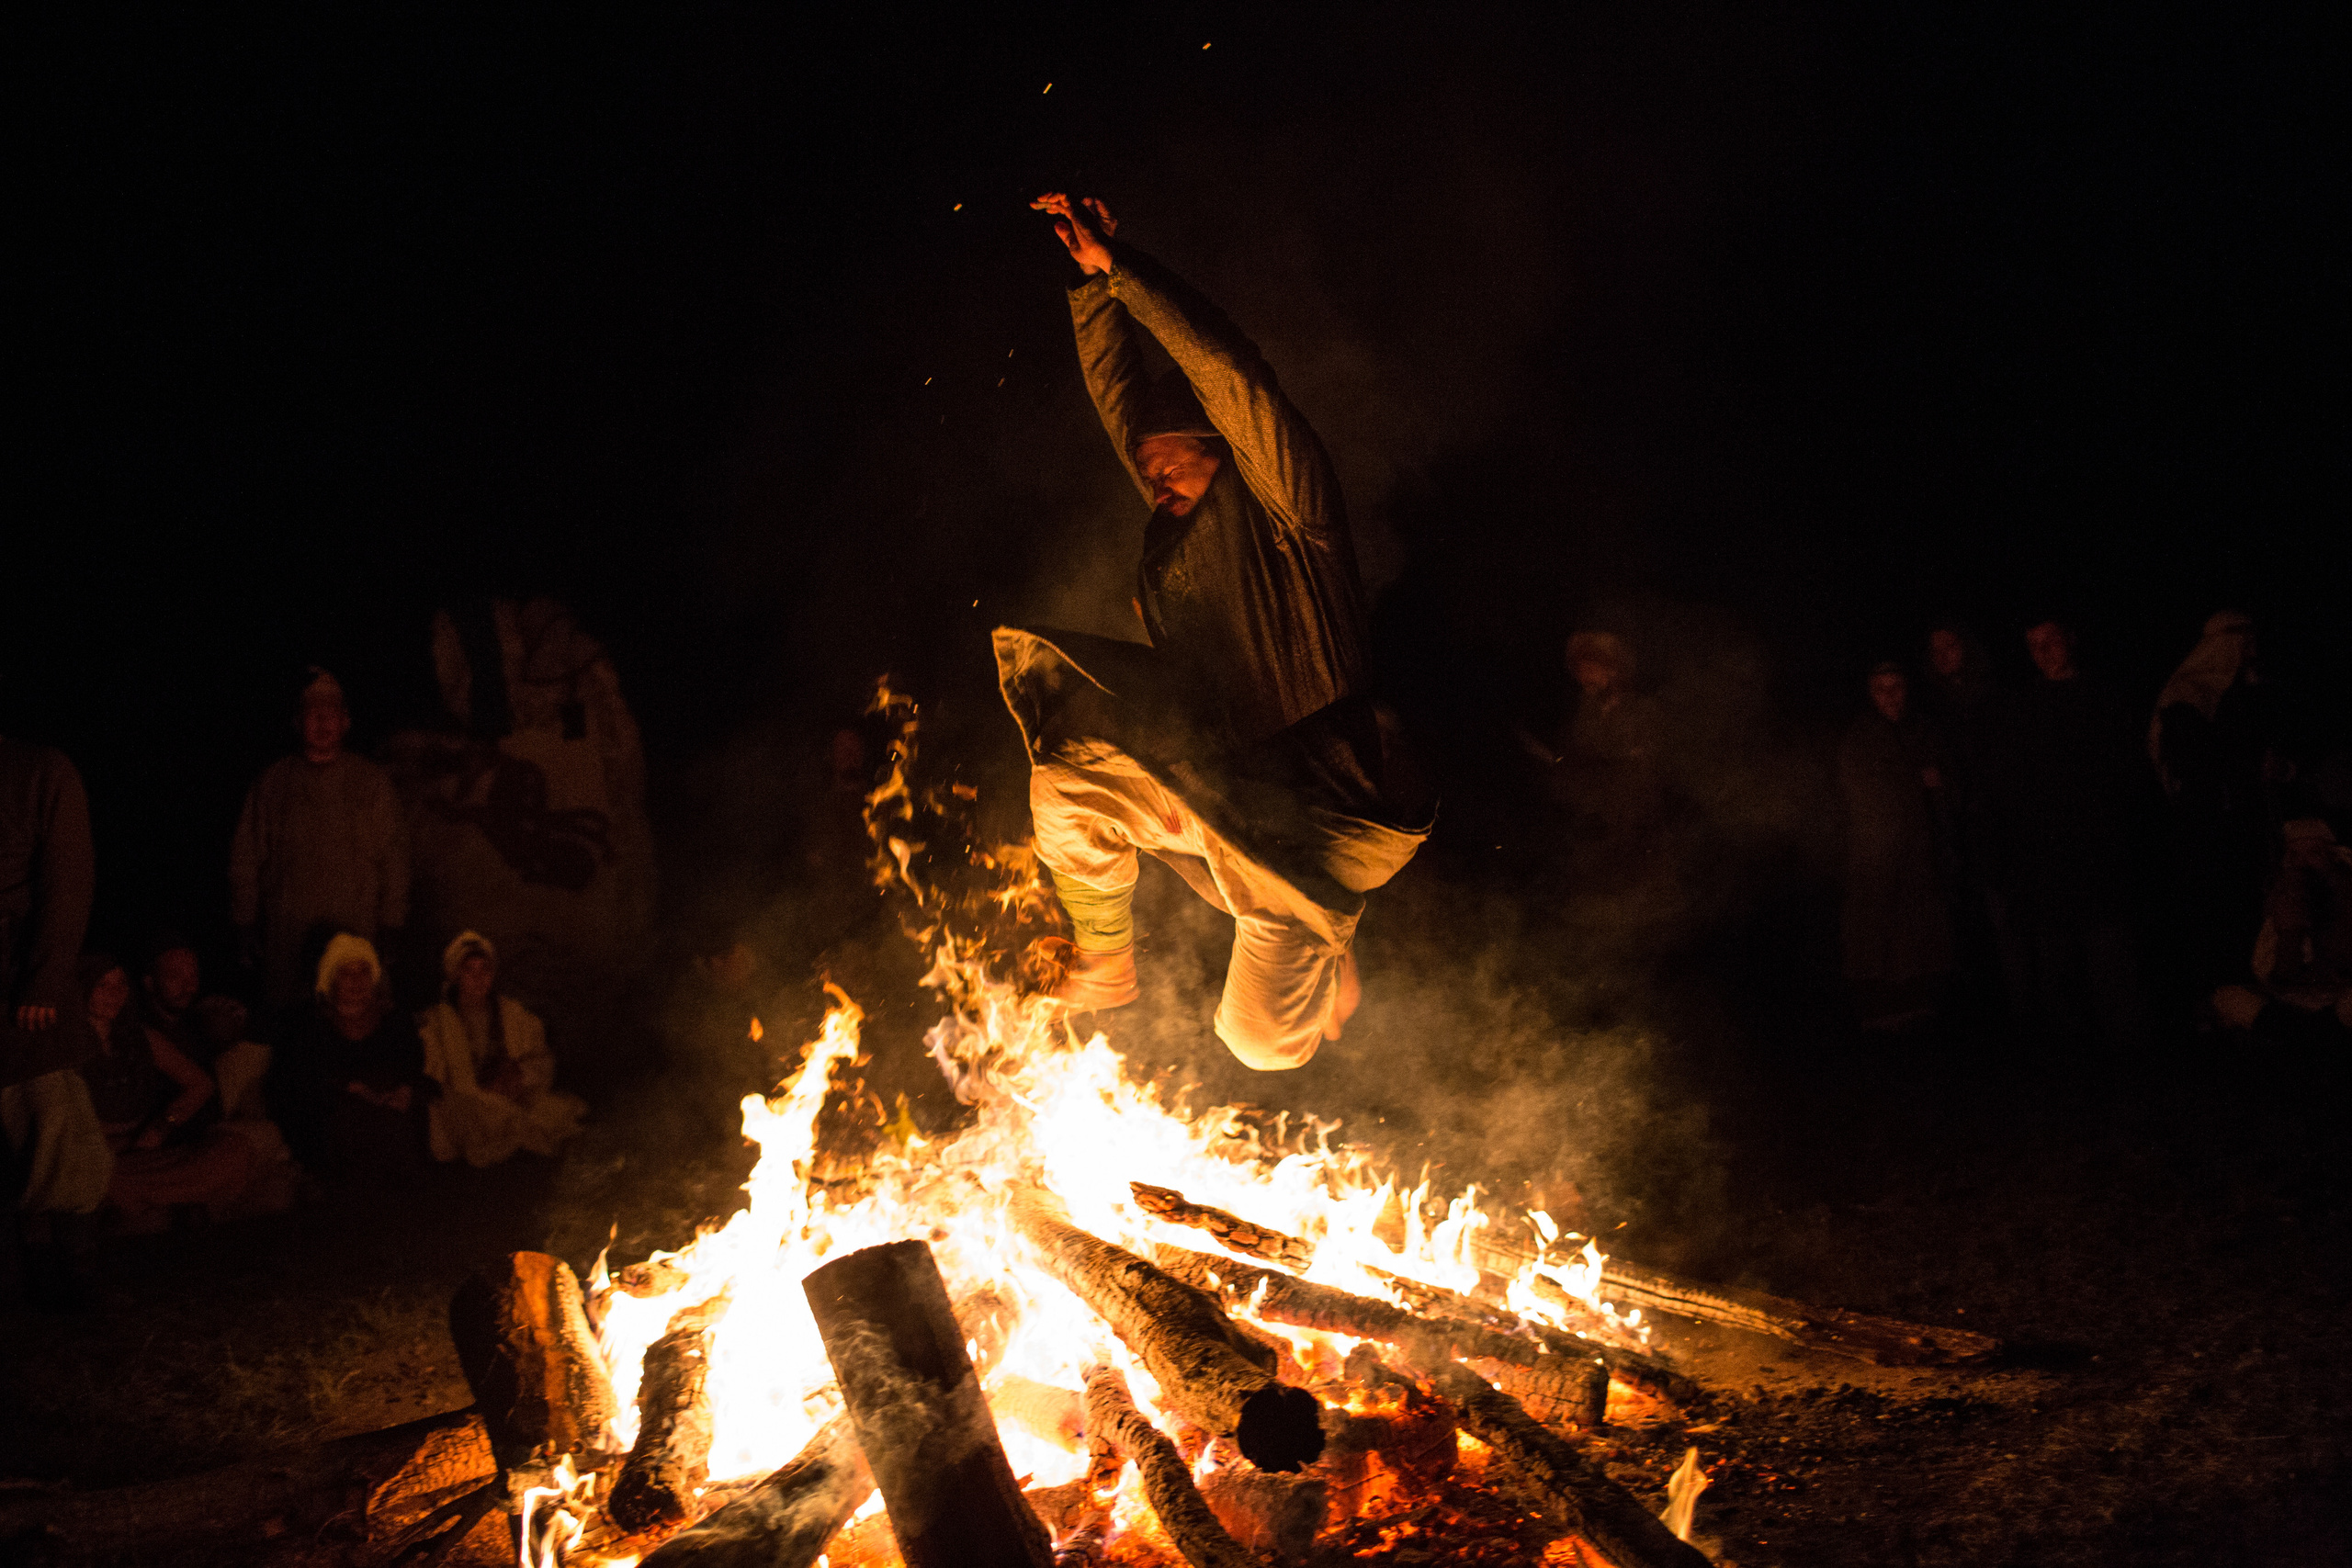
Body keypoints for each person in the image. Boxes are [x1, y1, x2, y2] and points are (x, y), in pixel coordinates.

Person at [997, 193, 1431, 1069]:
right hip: (1233, 801)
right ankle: (1105, 958)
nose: (1151, 477)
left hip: (1323, 812)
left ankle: (1321, 934)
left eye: (1171, 463)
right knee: (1065, 777)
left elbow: (1231, 373)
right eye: (1147, 468)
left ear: (1224, 446)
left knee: (1262, 1043)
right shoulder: (1181, 533)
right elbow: (1126, 407)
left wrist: (1124, 273)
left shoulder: (1291, 511)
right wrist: (1089, 294)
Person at [1984, 617, 2153, 1052]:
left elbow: (2130, 779)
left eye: (2050, 641)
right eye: (2033, 645)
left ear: (2071, 640)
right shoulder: (2021, 707)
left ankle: (2129, 1058)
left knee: (2111, 965)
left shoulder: (2106, 699)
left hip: (2100, 859)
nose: (2042, 652)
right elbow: (2007, 789)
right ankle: (2069, 1062)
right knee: (2058, 972)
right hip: (2046, 865)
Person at [230, 669, 410, 1012]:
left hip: (356, 929)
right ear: (298, 722)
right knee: (292, 1022)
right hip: (289, 935)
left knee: (360, 1019)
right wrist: (245, 921)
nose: (323, 721)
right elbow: (245, 857)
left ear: (345, 722)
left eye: (331, 713)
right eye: (314, 713)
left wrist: (392, 924)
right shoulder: (274, 783)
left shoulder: (370, 782)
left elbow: (395, 860)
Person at [2, 736, 105, 1305]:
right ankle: (32, 1271)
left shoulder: (39, 769)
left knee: (59, 1118)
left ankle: (73, 1275)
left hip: (21, 977)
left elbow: (69, 876)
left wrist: (43, 977)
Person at [2148, 611, 2283, 987]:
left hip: (2245, 819)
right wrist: (2247, 767)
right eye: (2247, 641)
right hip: (2208, 826)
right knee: (2216, 909)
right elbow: (2195, 766)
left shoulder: (2247, 689)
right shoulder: (2187, 696)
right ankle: (2217, 992)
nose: (2254, 649)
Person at [77, 953, 258, 1231]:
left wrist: (160, 1128)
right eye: (102, 985)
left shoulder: (140, 1036)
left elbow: (201, 1085)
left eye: (120, 984)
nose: (113, 994)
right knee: (84, 1178)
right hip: (97, 1157)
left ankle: (136, 1199)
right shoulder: (65, 1044)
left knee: (235, 1149)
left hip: (143, 1153)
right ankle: (163, 1199)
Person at [1837, 664, 1957, 1027]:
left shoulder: (1924, 729)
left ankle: (1923, 1005)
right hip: (1879, 849)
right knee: (1879, 927)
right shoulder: (1860, 737)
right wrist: (1916, 779)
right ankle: (1880, 1007)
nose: (1889, 696)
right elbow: (1862, 791)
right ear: (1870, 694)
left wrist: (1938, 784)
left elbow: (1945, 780)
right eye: (1880, 689)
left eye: (1896, 687)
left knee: (1920, 928)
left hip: (1921, 846)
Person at [415, 931, 583, 1166]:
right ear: (456, 975)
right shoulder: (435, 1023)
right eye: (469, 970)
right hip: (466, 1106)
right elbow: (437, 1076)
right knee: (483, 1112)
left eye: (484, 969)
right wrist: (480, 1087)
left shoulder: (513, 1015)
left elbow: (541, 1058)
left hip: (511, 1097)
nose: (478, 978)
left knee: (549, 1110)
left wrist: (519, 1076)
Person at [274, 933, 434, 1180]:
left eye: (363, 972)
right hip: (335, 1105)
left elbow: (410, 1060)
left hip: (387, 1097)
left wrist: (404, 1088)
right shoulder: (311, 1020)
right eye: (347, 973)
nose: (357, 981)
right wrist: (352, 1088)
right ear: (331, 978)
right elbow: (303, 1071)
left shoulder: (393, 1018)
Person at [2212, 818, 2352, 1046]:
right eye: (2294, 856)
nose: (2303, 863)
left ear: (2333, 857)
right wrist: (2289, 935)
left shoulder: (2344, 893)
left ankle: (2304, 1036)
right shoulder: (2285, 899)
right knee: (2227, 999)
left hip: (2341, 997)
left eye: (2314, 854)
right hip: (2297, 1002)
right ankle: (2312, 1034)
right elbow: (2277, 976)